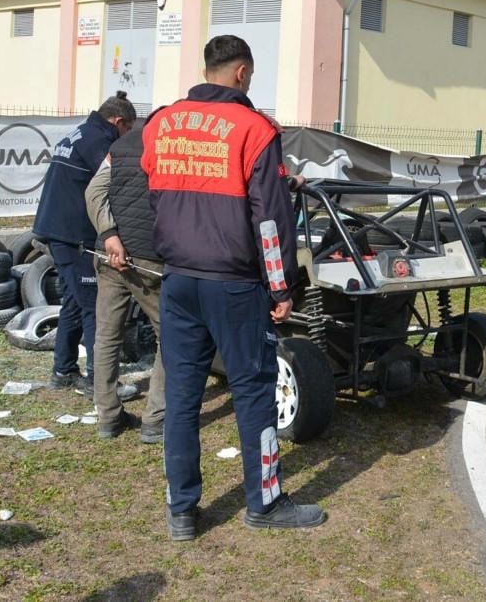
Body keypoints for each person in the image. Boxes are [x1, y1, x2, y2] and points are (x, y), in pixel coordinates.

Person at [143, 34, 324, 541]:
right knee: (252, 392)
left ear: (207, 69)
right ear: (242, 72)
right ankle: (264, 503)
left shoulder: (162, 123)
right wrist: (282, 287)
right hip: (234, 283)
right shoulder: (255, 128)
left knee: (182, 397)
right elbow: (270, 220)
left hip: (178, 279)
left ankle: (181, 511)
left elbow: (156, 194)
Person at [33, 92, 136, 394]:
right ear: (117, 121)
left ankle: (63, 370)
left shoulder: (79, 133)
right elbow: (111, 187)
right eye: (127, 130)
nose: (126, 137)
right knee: (94, 306)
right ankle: (98, 381)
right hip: (74, 236)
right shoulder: (98, 142)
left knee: (74, 303)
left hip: (57, 230)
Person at [85, 119, 167, 443]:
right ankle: (156, 420)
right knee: (170, 336)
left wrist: (109, 235)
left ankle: (107, 416)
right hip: (149, 257)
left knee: (107, 336)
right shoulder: (173, 147)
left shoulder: (120, 146)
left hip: (108, 253)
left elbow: (94, 191)